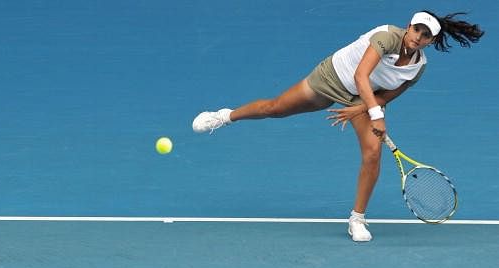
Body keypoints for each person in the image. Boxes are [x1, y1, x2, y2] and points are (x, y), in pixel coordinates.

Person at [192, 11, 483, 241]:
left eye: (426, 35)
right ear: (409, 27)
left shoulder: (418, 67)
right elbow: (361, 75)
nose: (418, 37)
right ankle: (225, 116)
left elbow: (385, 95)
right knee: (276, 108)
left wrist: (361, 109)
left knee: (372, 153)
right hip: (335, 76)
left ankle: (357, 218)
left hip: (362, 97)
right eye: (417, 30)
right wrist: (375, 114)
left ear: (431, 41)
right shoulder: (387, 37)